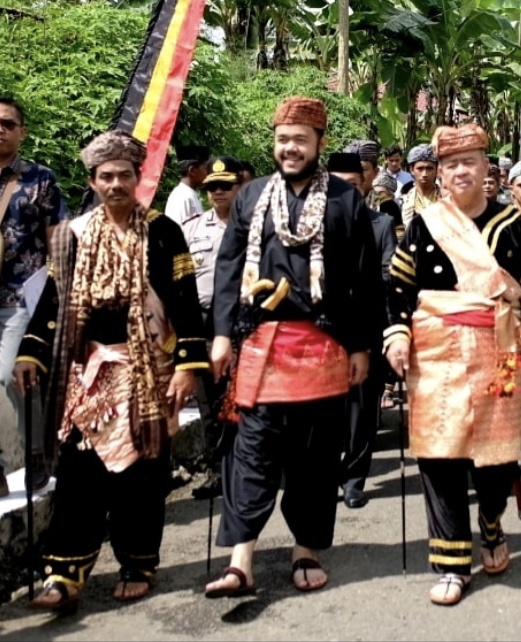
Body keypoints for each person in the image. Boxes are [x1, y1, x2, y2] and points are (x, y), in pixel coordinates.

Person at [14, 130, 207, 611]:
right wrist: (30, 353)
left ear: (138, 179)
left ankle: (138, 562)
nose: (116, 183)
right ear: (93, 181)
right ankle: (65, 574)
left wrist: (188, 364)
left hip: (147, 371)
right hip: (88, 375)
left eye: (125, 175)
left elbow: (185, 303)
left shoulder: (162, 231)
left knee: (141, 472)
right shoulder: (73, 235)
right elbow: (54, 303)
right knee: (80, 470)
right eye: (106, 176)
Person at [205, 96, 381, 597]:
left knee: (316, 457)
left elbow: (366, 282)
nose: (290, 148)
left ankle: (306, 549)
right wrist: (220, 335)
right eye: (283, 139)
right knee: (253, 451)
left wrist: (362, 346)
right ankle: (241, 560)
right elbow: (227, 267)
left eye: (301, 140)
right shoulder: (251, 195)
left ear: (319, 144)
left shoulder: (347, 203)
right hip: (261, 345)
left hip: (323, 346)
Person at [383, 123, 521, 606]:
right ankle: (451, 562)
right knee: (439, 455)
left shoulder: (515, 227)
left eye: (470, 162)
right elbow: (398, 287)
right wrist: (396, 333)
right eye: (450, 165)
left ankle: (491, 520)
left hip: (498, 352)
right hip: (435, 355)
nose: (460, 171)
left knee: (496, 458)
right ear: (439, 174)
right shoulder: (424, 225)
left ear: (487, 170)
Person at [0, 96, 67, 505]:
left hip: (20, 298)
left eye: (7, 124)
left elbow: (57, 240)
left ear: (21, 132)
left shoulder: (39, 179)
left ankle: (37, 455)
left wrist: (60, 292)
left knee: (12, 374)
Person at [326, 151, 396, 509]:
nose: (346, 193)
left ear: (365, 185)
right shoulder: (310, 226)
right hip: (322, 335)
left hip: (367, 329)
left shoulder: (380, 225)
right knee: (326, 411)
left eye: (352, 185)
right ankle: (326, 473)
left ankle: (355, 477)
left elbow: (388, 276)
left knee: (361, 411)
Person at [183, 156, 244, 501]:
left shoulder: (253, 226)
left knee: (245, 400)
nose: (218, 192)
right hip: (204, 324)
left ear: (238, 188)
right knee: (209, 403)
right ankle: (216, 470)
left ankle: (249, 467)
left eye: (225, 186)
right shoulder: (192, 229)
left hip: (243, 324)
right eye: (212, 187)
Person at [164, 145, 208, 225]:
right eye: (205, 169)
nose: (207, 173)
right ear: (192, 171)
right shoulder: (182, 197)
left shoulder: (189, 194)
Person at [402, 143, 439, 230]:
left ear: (437, 170)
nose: (424, 174)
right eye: (420, 168)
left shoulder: (449, 200)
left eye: (429, 169)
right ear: (411, 170)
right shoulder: (403, 202)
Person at [344, 139, 382, 208]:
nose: (356, 176)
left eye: (363, 169)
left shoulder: (386, 206)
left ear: (375, 172)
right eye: (351, 169)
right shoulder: (332, 204)